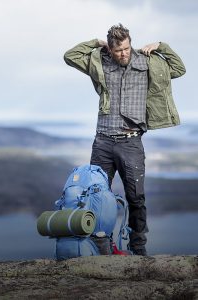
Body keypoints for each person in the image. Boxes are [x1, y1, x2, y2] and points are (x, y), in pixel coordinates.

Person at [63, 23, 186, 256]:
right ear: (110, 48)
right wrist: (95, 43)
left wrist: (160, 45)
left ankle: (138, 247)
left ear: (131, 43)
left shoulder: (146, 61)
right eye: (118, 50)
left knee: (136, 198)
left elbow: (179, 68)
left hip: (131, 142)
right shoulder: (101, 60)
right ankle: (102, 245)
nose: (124, 54)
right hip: (102, 142)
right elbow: (70, 56)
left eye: (127, 48)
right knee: (96, 196)